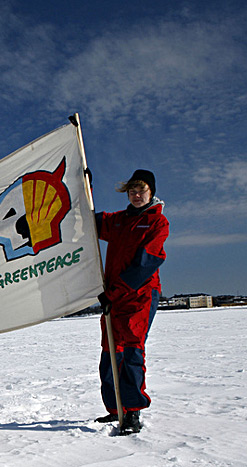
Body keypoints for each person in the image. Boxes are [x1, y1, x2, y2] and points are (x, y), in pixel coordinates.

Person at [94, 169, 169, 434]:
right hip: (113, 295)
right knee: (110, 350)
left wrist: (114, 292)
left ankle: (133, 411)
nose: (137, 195)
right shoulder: (118, 221)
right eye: (132, 191)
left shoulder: (157, 223)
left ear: (151, 192)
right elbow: (88, 219)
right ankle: (116, 409)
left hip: (139, 295)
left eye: (142, 190)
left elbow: (145, 263)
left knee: (131, 351)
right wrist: (82, 187)